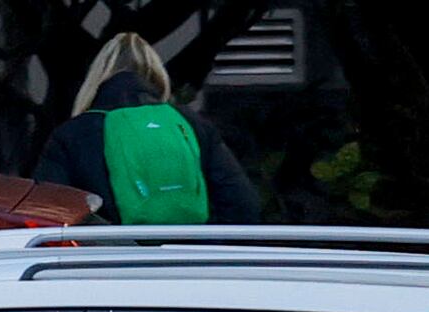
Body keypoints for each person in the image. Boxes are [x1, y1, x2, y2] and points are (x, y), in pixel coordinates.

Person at [31, 32, 263, 226]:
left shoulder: (73, 134)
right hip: (188, 266)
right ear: (156, 76)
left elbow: (49, 213)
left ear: (95, 79)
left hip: (108, 269)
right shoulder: (191, 125)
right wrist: (198, 246)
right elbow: (243, 205)